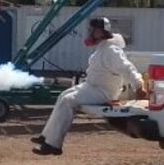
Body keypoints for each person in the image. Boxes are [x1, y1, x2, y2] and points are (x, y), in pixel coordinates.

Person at [31, 17, 146, 156]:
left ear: (102, 32)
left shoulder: (111, 50)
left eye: (94, 30)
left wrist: (139, 85)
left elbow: (127, 68)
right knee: (63, 96)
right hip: (92, 87)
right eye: (91, 29)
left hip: (103, 92)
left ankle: (53, 145)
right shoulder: (103, 47)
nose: (91, 32)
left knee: (69, 101)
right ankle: (46, 136)